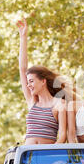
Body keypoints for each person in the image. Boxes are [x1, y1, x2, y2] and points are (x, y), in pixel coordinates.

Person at [17, 17, 67, 145]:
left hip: (46, 159)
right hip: (28, 158)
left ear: (43, 81)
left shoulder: (59, 104)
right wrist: (23, 37)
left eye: (32, 81)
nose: (29, 85)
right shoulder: (32, 101)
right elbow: (22, 69)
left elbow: (62, 137)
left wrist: (49, 157)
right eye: (28, 82)